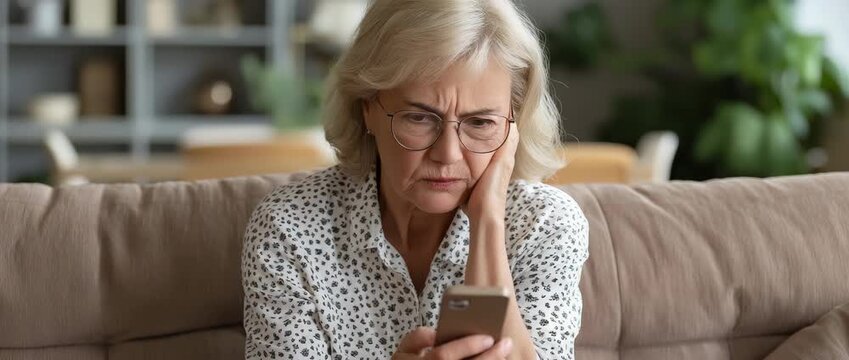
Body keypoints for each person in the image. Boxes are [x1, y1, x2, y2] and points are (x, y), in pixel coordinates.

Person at [241, 0, 589, 358]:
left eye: (481, 123)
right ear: (367, 109)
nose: (449, 154)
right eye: (419, 118)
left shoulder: (544, 224)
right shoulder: (289, 227)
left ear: (513, 126)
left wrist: (487, 222)